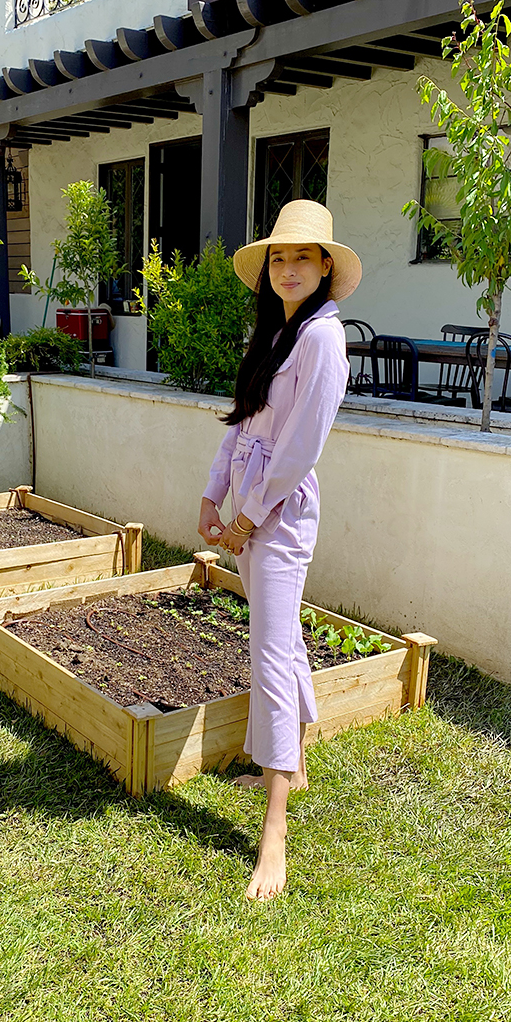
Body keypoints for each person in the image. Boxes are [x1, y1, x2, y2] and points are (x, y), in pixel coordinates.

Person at [198, 200, 359, 902]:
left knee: (268, 657)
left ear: (326, 266)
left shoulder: (325, 338)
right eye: (278, 257)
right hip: (246, 513)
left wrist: (246, 519)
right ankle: (291, 762)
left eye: (302, 257)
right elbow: (245, 422)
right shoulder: (276, 333)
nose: (288, 268)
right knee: (285, 644)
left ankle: (273, 832)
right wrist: (212, 495)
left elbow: (300, 448)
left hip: (279, 519)